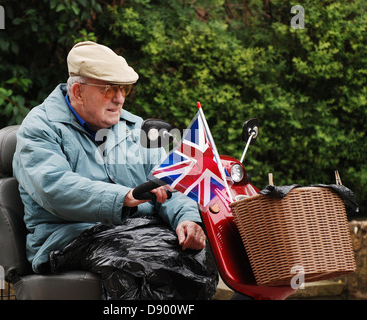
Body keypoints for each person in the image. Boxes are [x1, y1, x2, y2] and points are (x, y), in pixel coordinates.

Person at [13, 41, 218, 299]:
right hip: (69, 238)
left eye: (123, 89)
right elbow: (53, 187)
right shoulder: (40, 128)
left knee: (200, 258)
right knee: (141, 263)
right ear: (77, 92)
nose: (119, 98)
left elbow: (170, 181)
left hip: (139, 233)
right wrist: (124, 197)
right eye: (109, 89)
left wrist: (187, 219)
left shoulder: (135, 127)